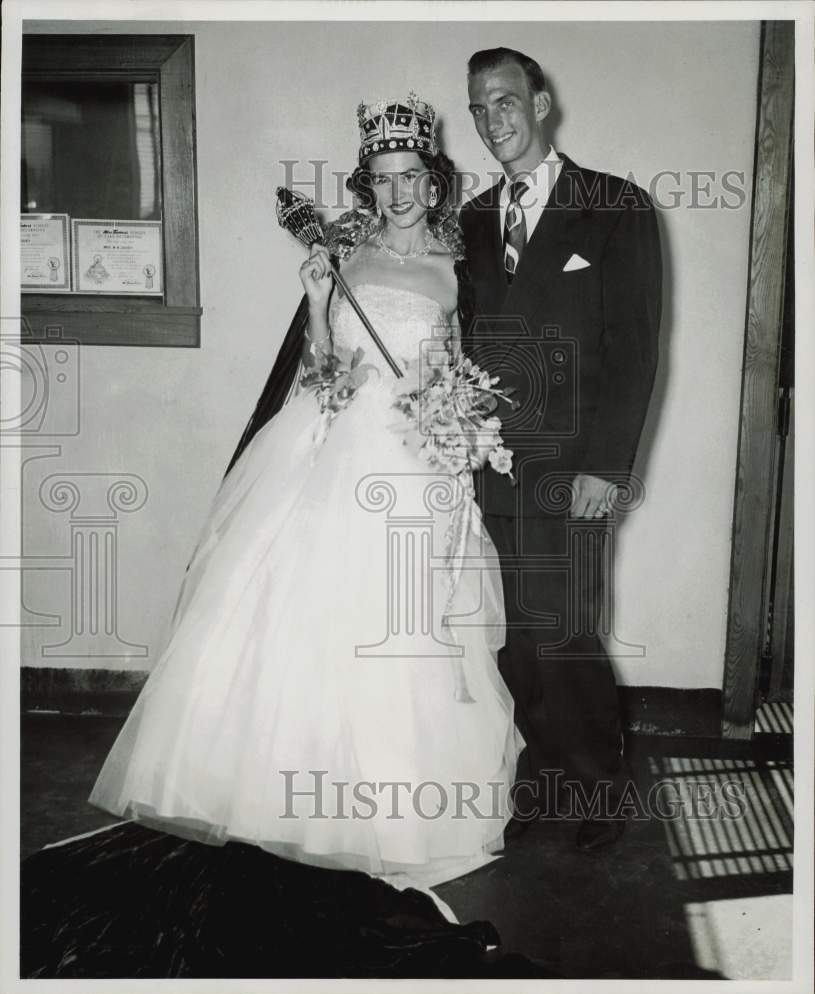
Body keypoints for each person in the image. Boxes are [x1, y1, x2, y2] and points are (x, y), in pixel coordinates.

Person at [88, 94, 523, 891]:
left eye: (410, 177)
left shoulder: (455, 274)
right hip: (333, 449)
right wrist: (320, 299)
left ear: (433, 184)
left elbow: (465, 371)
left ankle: (398, 809)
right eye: (381, 179)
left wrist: (452, 418)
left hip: (412, 461)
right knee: (295, 604)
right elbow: (321, 373)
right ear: (368, 185)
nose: (396, 193)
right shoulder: (342, 260)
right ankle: (270, 799)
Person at [460, 48, 662, 851]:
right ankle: (541, 776)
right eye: (477, 108)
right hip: (493, 467)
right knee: (513, 634)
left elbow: (635, 348)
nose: (491, 120)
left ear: (542, 104)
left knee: (567, 631)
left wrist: (605, 469)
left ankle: (599, 790)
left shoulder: (613, 206)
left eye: (505, 101)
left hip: (572, 467)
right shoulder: (474, 217)